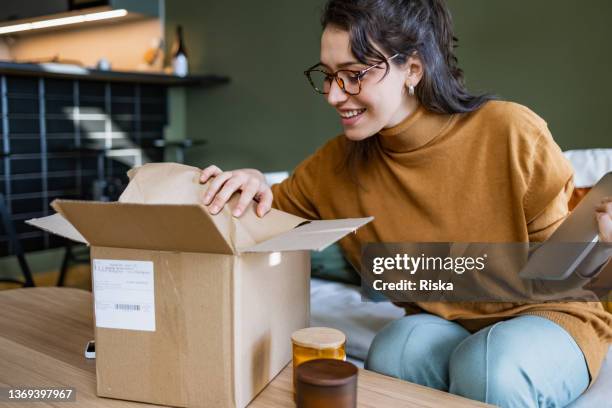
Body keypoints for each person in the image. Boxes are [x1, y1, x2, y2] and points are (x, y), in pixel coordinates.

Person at [199, 0, 612, 406]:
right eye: (327, 76)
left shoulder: (510, 132)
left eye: (353, 74)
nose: (333, 95)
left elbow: (563, 272)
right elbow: (265, 215)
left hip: (548, 318)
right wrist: (252, 183)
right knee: (396, 348)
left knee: (488, 364)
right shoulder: (334, 166)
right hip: (447, 325)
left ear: (412, 69)